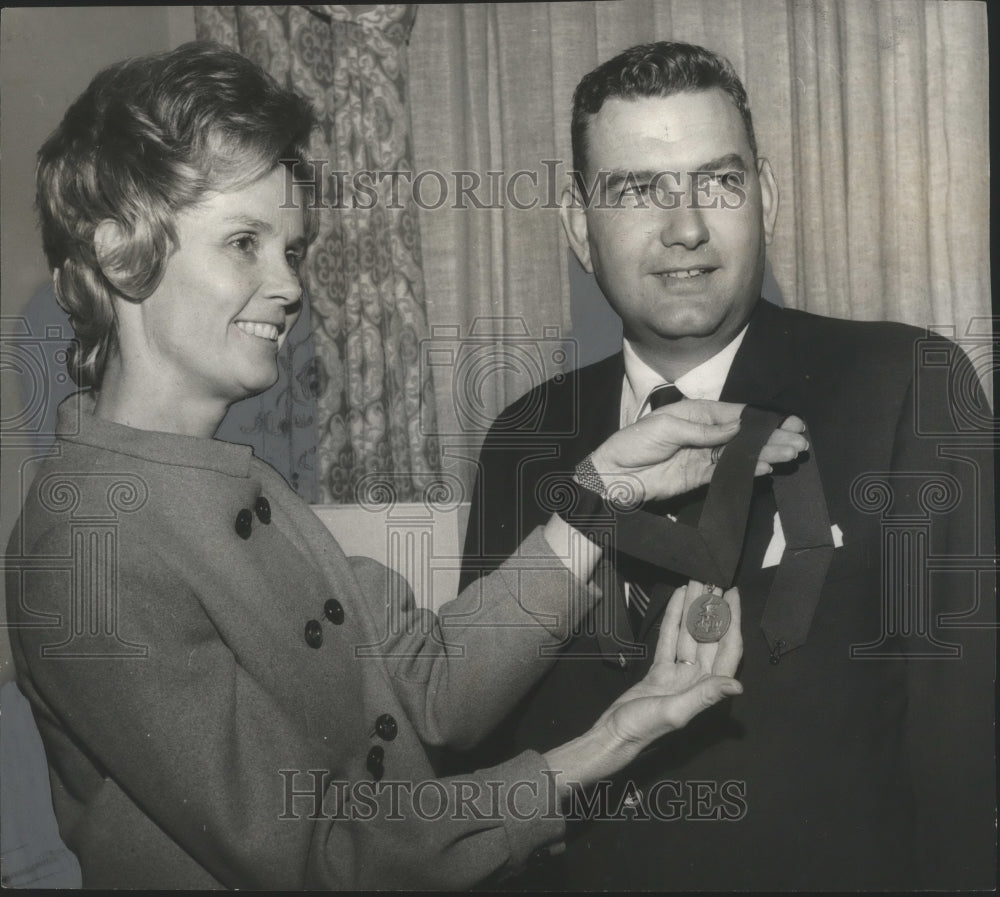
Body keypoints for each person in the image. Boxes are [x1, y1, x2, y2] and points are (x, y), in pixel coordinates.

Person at [3, 42, 810, 890]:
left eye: (293, 249)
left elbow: (428, 682)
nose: (287, 286)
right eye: (244, 241)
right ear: (121, 249)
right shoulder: (84, 544)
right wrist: (607, 745)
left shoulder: (234, 483)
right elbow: (317, 850)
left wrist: (603, 491)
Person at [458, 41, 995, 891]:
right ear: (577, 227)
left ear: (767, 198)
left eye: (719, 182)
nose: (686, 227)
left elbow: (965, 762)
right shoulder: (523, 437)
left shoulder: (907, 387)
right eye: (638, 190)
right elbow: (478, 746)